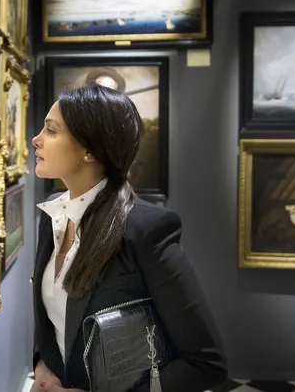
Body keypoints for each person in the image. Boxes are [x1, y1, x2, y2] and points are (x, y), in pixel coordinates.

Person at [30, 84, 227, 392]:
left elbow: (206, 364)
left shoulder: (147, 230)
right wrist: (43, 366)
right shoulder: (52, 214)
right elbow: (53, 320)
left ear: (91, 150)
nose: (36, 139)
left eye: (51, 130)